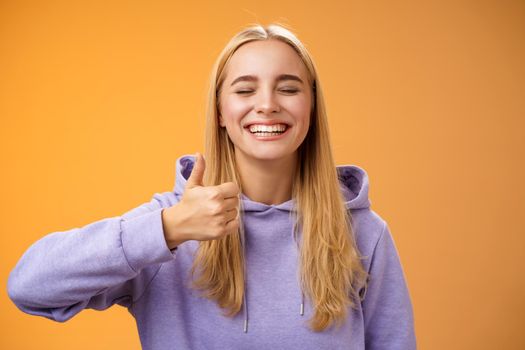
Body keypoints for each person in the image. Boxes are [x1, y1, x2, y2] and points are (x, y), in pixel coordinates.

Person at [7, 23, 416, 349]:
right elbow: (28, 287)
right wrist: (167, 229)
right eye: (245, 89)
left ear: (311, 108)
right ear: (221, 111)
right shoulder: (170, 226)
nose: (268, 103)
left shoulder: (364, 233)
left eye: (289, 88)